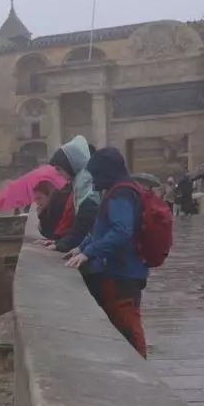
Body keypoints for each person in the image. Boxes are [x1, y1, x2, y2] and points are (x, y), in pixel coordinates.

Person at [65, 147, 149, 359]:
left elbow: (121, 230)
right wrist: (81, 247)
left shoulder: (121, 194)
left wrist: (89, 252)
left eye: (96, 175)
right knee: (120, 326)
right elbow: (101, 229)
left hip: (123, 273)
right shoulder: (116, 190)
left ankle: (141, 368)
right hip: (119, 271)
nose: (93, 180)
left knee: (128, 327)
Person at [37, 136, 99, 253]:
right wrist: (58, 242)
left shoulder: (86, 186)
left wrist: (61, 245)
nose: (58, 174)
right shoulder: (80, 184)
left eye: (59, 169)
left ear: (70, 166)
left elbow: (84, 227)